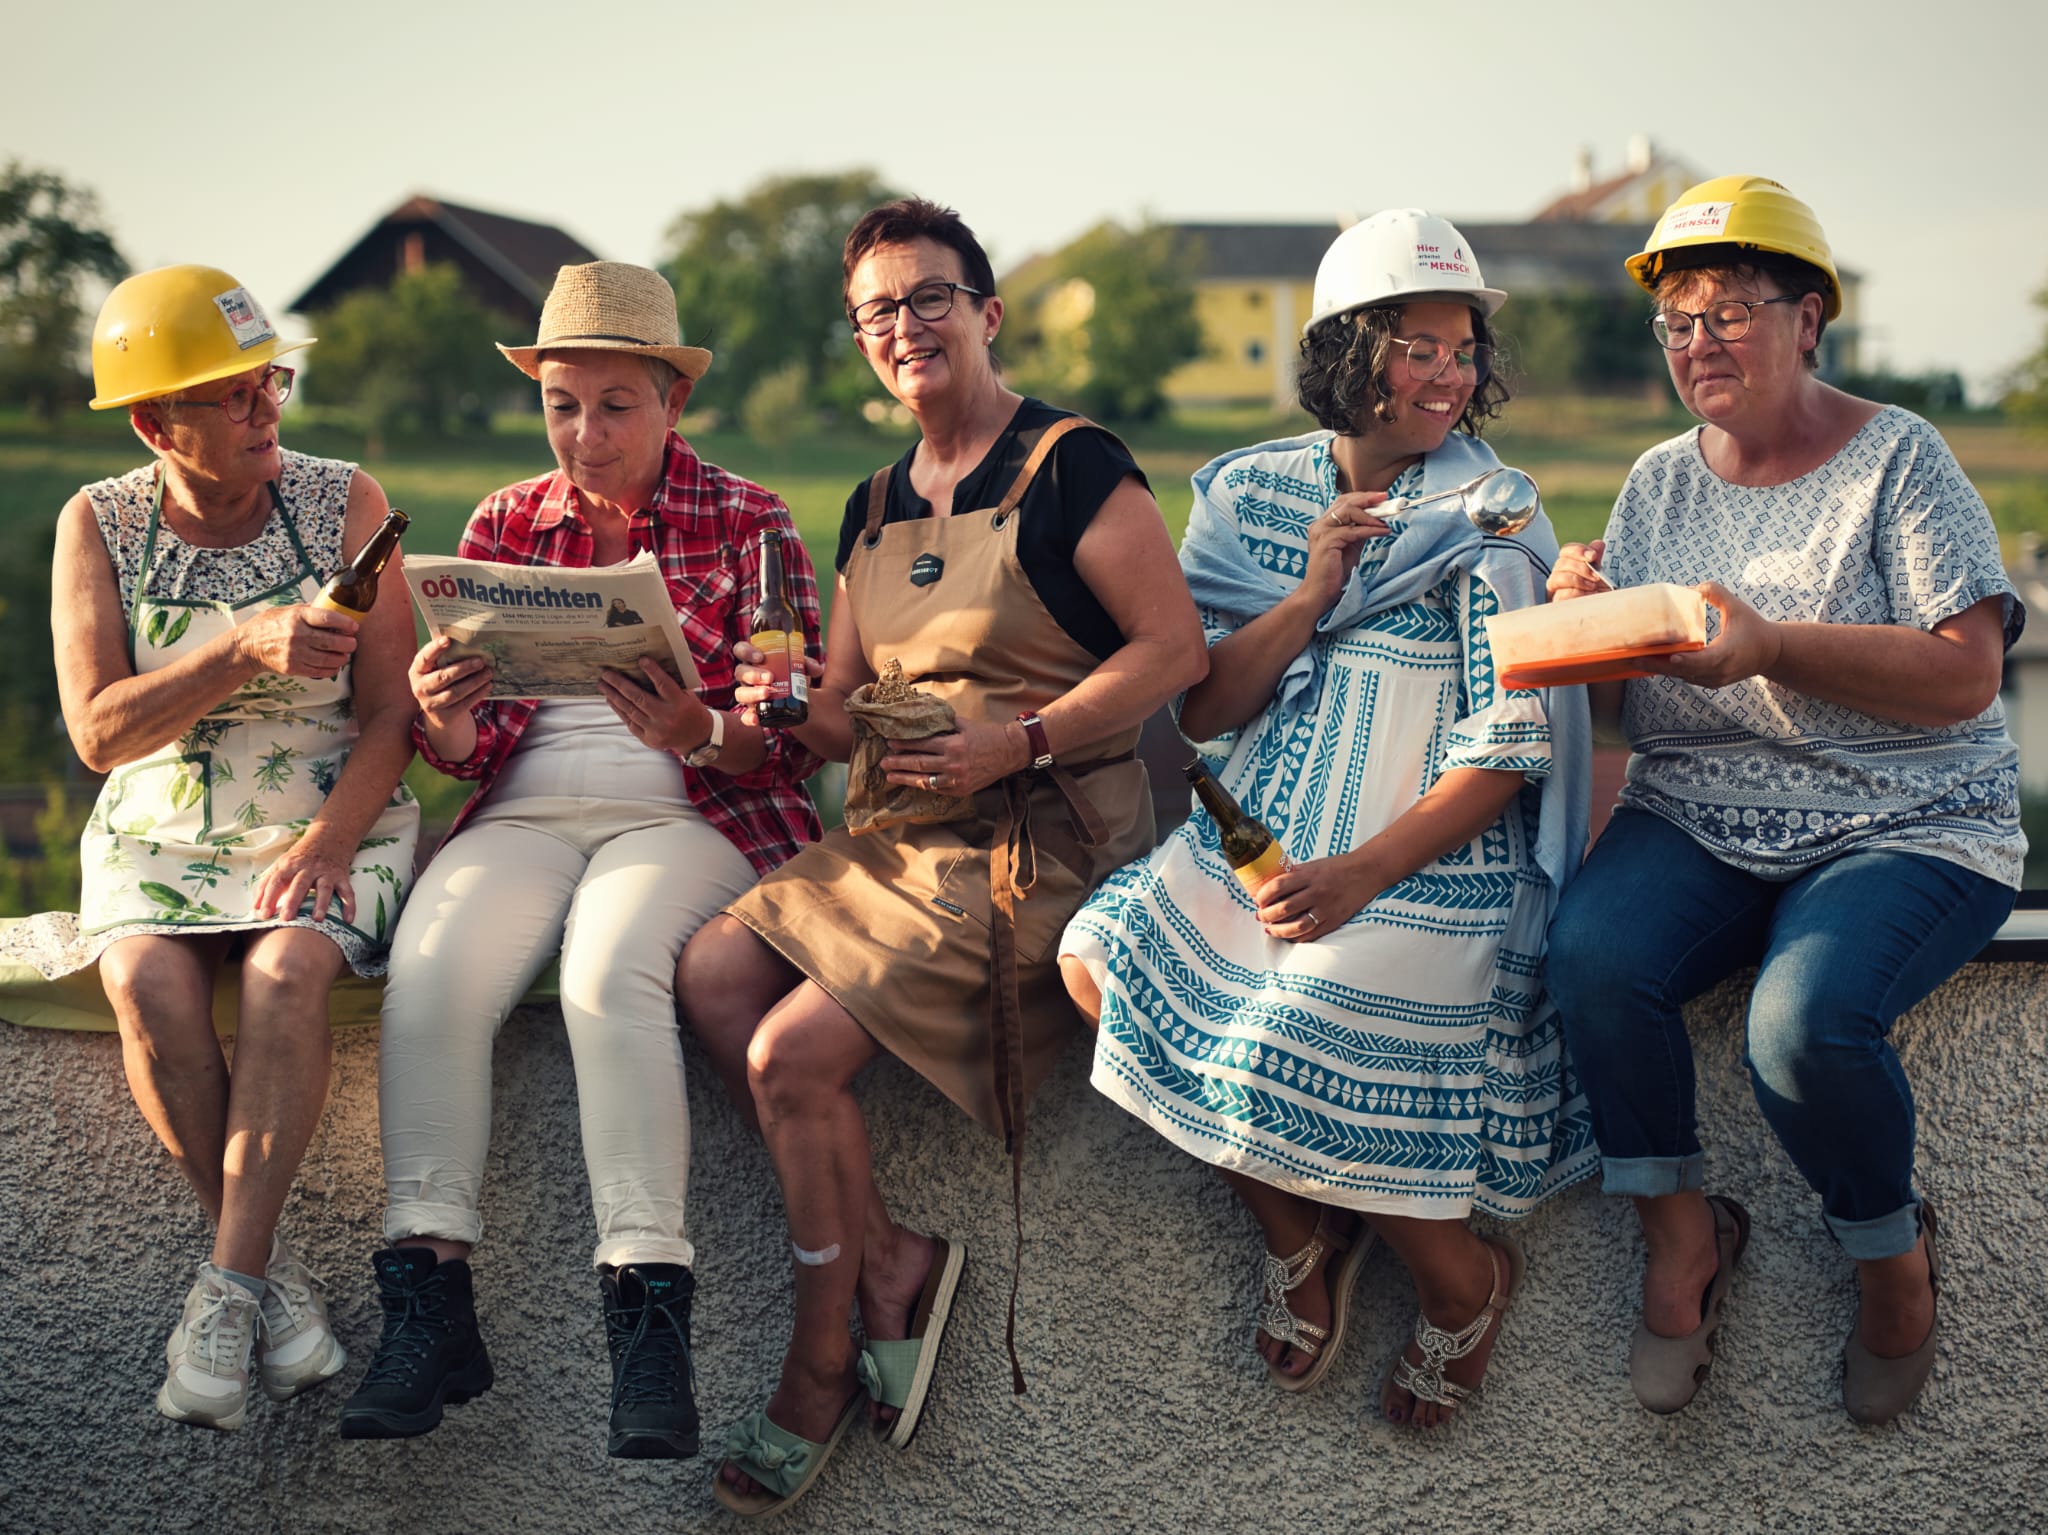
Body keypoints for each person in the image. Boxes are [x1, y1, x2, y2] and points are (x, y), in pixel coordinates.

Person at [678, 197, 1206, 1515]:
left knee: (788, 1055)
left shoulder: (1075, 465)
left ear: (986, 312)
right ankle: (893, 1254)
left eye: (928, 298)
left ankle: (816, 1356)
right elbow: (850, 707)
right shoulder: (866, 505)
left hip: (1039, 845)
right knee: (710, 974)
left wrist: (1015, 739)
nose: (904, 327)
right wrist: (781, 714)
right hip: (900, 838)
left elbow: (1171, 652)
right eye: (878, 312)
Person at [1059, 210, 1596, 1429]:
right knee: (1095, 962)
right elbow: (1205, 702)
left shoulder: (1492, 517)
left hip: (1427, 850)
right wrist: (1312, 591)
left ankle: (1463, 1275)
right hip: (1259, 829)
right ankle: (1302, 1238)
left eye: (1461, 348)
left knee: (1299, 1018)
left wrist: (1360, 874)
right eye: (1417, 345)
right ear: (1347, 351)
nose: (1448, 373)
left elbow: (1508, 749)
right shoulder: (1247, 493)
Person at [1543, 177, 2022, 1424]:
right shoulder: (1653, 481)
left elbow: (1968, 672)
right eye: (1677, 322)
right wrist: (1570, 627)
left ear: (1809, 318)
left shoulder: (1897, 457)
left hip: (1902, 819)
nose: (1696, 341)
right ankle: (1684, 1236)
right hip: (1696, 807)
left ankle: (1888, 1259)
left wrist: (1772, 646)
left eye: (1728, 312)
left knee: (1797, 1023)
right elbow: (1625, 695)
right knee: (1588, 957)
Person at [335, 262, 824, 1459]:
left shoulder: (751, 521)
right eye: (562, 403)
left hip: (687, 813)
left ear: (671, 404)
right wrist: (441, 711)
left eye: (614, 404)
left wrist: (695, 724)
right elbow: (465, 751)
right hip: (521, 813)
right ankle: (428, 1297)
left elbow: (788, 737)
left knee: (612, 974)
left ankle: (648, 1319)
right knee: (435, 967)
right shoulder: (505, 520)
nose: (585, 432)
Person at [0, 265, 420, 1429]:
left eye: (268, 381)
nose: (265, 410)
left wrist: (335, 840)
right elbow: (96, 731)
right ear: (152, 423)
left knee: (288, 969)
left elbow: (393, 715)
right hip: (163, 823)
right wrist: (238, 645)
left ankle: (227, 1289)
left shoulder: (343, 500)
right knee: (142, 976)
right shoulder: (100, 519)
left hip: (327, 812)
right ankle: (264, 1283)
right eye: (231, 397)